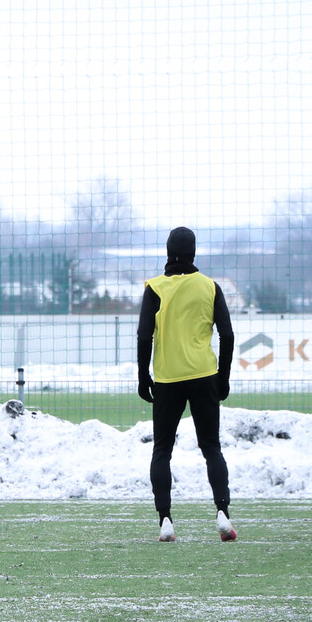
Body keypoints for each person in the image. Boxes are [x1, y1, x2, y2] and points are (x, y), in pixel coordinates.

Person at [136, 227, 235, 543]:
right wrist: (223, 376)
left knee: (162, 449)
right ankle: (222, 513)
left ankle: (165, 520)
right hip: (204, 375)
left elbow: (143, 335)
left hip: (168, 378)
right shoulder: (209, 287)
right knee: (211, 447)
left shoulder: (155, 288)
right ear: (194, 253)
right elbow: (228, 335)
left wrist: (143, 376)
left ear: (167, 253)